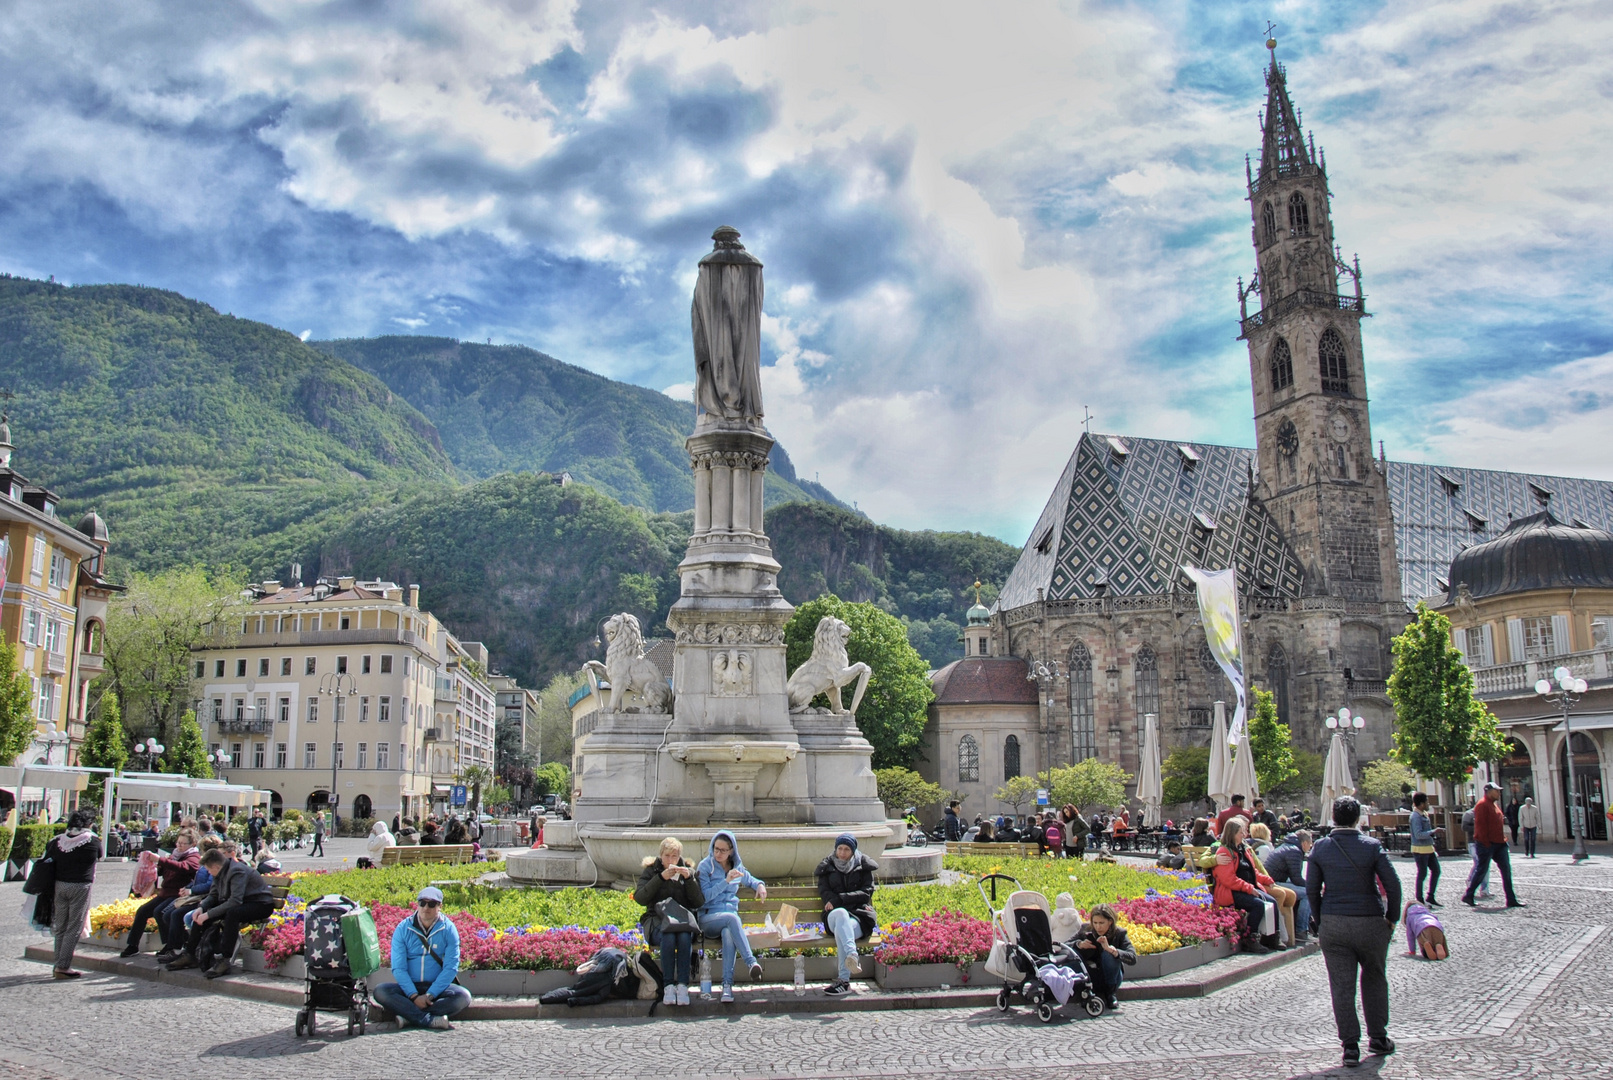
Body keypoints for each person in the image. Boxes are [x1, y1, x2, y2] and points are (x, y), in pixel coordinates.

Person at [1306, 795, 1402, 1069]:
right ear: (1358, 818)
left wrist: (1321, 918)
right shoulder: (1371, 846)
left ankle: (1349, 1046)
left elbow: (1312, 889)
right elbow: (1393, 886)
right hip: (1370, 921)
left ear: (1333, 818)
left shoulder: (1321, 848)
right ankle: (1378, 1037)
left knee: (1341, 986)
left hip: (1334, 923)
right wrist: (1392, 918)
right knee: (1374, 978)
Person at [166, 847, 278, 978]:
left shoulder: (237, 870)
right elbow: (213, 895)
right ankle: (190, 954)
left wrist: (208, 915)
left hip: (260, 904)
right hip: (242, 903)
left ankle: (225, 959)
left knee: (232, 914)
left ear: (215, 866)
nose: (209, 872)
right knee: (208, 913)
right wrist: (201, 908)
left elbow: (235, 901)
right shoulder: (220, 871)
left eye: (208, 869)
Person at [374, 887, 474, 1029]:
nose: (426, 907)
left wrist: (429, 995)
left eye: (432, 904)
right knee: (381, 991)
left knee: (463, 997)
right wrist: (413, 996)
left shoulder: (449, 929)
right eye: (422, 903)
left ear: (440, 906)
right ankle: (428, 1020)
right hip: (409, 988)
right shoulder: (403, 929)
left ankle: (409, 1016)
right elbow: (398, 968)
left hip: (435, 989)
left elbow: (450, 968)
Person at [695, 830, 767, 1001]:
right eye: (716, 849)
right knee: (732, 918)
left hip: (728, 922)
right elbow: (704, 897)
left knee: (729, 932)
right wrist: (725, 881)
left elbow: (750, 879)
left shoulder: (737, 867)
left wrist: (760, 886)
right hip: (708, 918)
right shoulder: (705, 867)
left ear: (731, 851)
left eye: (723, 850)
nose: (718, 853)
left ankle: (727, 986)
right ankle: (751, 962)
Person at [634, 837, 704, 1006]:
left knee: (684, 936)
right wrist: (660, 878)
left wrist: (689, 880)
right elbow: (640, 898)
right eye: (667, 856)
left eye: (675, 856)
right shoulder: (651, 871)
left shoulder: (688, 871)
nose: (671, 860)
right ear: (661, 855)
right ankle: (668, 986)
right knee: (669, 936)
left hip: (682, 923)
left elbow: (698, 902)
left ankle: (682, 985)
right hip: (657, 921)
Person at [121, 827, 200, 957]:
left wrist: (161, 860)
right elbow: (165, 871)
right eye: (178, 842)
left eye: (183, 843)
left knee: (161, 912)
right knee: (142, 911)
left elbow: (183, 867)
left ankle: (171, 944)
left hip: (178, 894)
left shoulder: (194, 857)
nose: (179, 846)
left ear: (192, 844)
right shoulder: (174, 855)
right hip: (165, 893)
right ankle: (132, 945)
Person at [816, 834, 878, 997]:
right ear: (835, 849)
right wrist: (839, 901)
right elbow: (824, 892)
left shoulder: (863, 866)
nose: (842, 853)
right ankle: (852, 954)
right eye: (840, 849)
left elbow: (866, 893)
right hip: (834, 915)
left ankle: (843, 981)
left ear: (853, 851)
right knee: (841, 914)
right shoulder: (827, 866)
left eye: (847, 849)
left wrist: (840, 899)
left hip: (857, 917)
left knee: (843, 931)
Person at [45, 810, 102, 979]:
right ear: (89, 824)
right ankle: (63, 966)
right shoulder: (92, 841)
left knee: (60, 926)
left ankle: (58, 963)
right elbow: (99, 856)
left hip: (59, 885)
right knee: (74, 927)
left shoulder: (58, 841)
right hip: (80, 886)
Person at [1210, 818, 1280, 954]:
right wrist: (1249, 888)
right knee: (1258, 905)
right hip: (1231, 892)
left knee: (1272, 902)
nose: (1244, 835)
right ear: (1232, 834)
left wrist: (1267, 880)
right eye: (1241, 832)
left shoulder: (1243, 849)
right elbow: (1228, 880)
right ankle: (1250, 939)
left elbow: (1252, 872)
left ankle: (1272, 937)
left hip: (1246, 888)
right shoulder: (1224, 852)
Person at [1462, 782, 1523, 909]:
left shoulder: (1493, 805)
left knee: (1506, 871)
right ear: (1488, 791)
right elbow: (1481, 827)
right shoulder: (1482, 805)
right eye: (1497, 790)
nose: (1499, 793)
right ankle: (1469, 895)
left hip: (1499, 843)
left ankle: (1511, 899)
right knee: (1482, 870)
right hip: (1487, 844)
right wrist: (1486, 843)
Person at [1075, 902, 1137, 1012]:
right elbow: (1066, 945)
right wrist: (1080, 944)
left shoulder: (1119, 934)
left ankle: (1110, 994)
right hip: (1091, 975)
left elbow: (1132, 958)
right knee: (1074, 956)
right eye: (1095, 923)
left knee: (1108, 954)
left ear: (1110, 922)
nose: (1098, 926)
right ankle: (1086, 992)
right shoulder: (1086, 930)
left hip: (1112, 978)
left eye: (1101, 923)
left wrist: (1114, 951)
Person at [1263, 829, 1314, 944]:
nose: (1310, 847)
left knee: (1306, 890)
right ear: (1305, 843)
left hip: (1272, 880)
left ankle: (1306, 927)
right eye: (1310, 844)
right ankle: (1301, 930)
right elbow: (1296, 878)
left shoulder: (1287, 845)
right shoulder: (1295, 851)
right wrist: (1313, 886)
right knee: (1308, 893)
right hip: (1273, 883)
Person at [1408, 793, 1441, 908]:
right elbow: (1418, 834)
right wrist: (1433, 832)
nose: (1428, 804)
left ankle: (1430, 896)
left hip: (1428, 848)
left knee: (1436, 871)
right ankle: (1420, 899)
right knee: (1422, 874)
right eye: (1427, 802)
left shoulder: (1424, 814)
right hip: (1420, 850)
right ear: (1421, 804)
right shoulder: (1415, 816)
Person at [1460, 802, 1490, 900]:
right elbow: (1464, 827)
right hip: (1472, 842)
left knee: (1485, 865)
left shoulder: (1485, 814)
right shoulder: (1468, 814)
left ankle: (1485, 889)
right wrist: (1477, 827)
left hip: (1483, 842)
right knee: (1479, 863)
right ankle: (1470, 880)